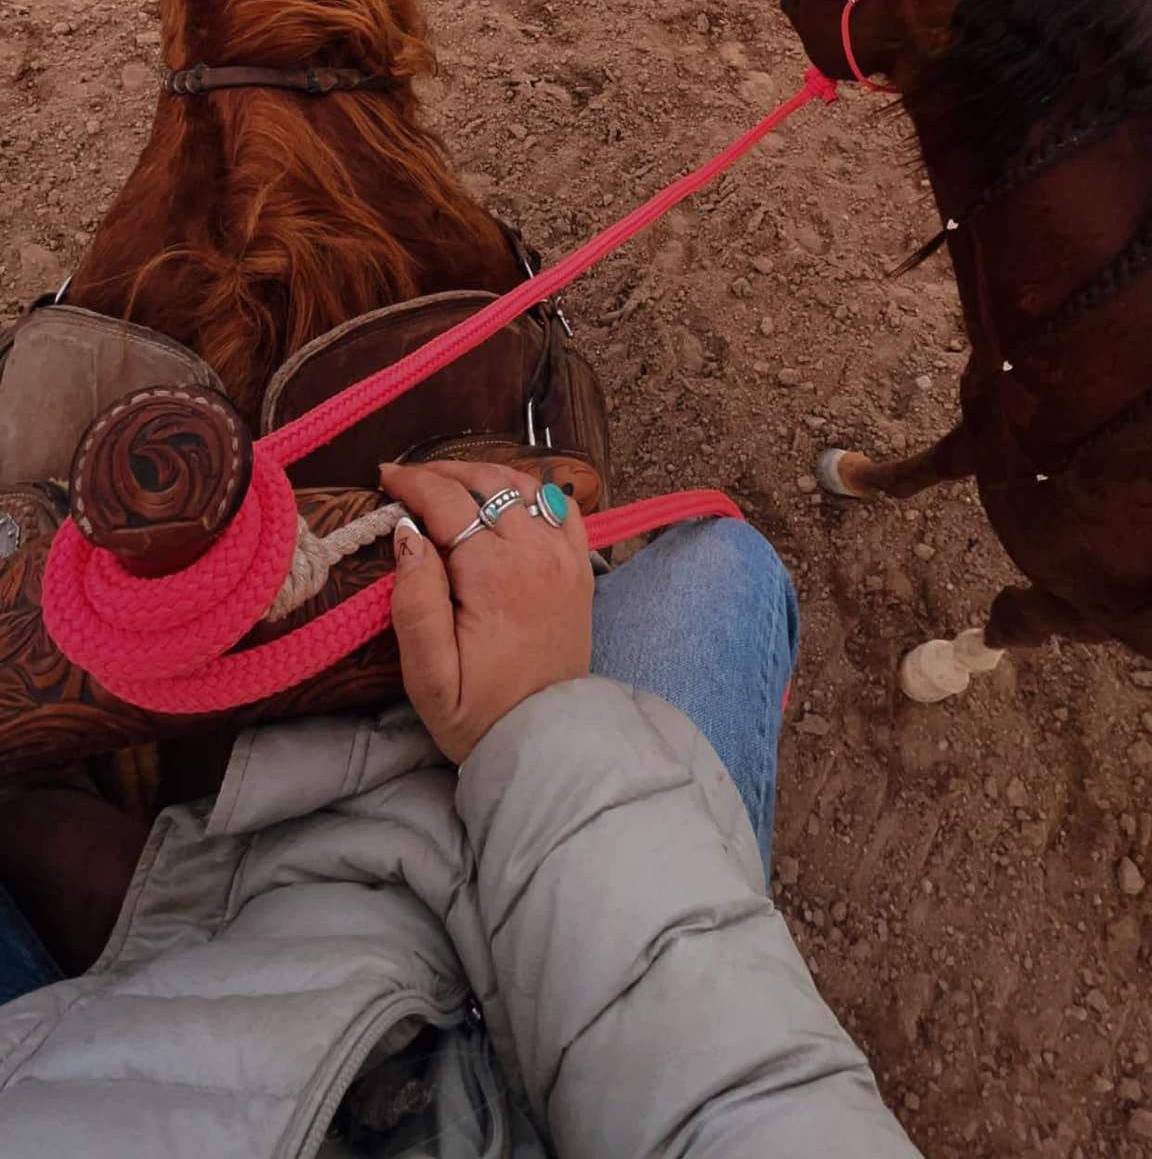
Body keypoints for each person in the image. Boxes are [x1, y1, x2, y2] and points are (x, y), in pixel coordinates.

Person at [0, 463, 921, 1158]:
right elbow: (745, 1105)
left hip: (125, 1035)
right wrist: (534, 719)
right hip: (511, 1027)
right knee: (722, 565)